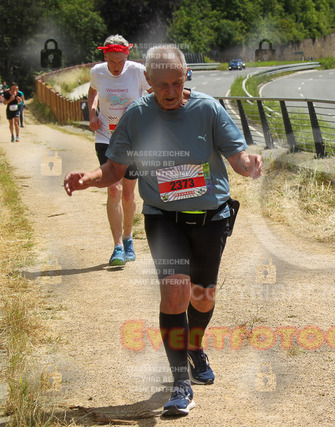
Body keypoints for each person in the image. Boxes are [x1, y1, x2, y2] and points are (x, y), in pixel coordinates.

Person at [64, 46, 262, 416]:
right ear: (148, 82)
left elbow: (237, 157)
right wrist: (88, 178)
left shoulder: (208, 109)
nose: (170, 92)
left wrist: (249, 163)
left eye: (177, 83)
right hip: (163, 217)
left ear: (186, 77)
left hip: (211, 218)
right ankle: (180, 384)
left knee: (202, 297)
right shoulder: (137, 115)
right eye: (162, 85)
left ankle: (194, 345)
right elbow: (113, 169)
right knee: (174, 294)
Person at [88, 34, 151, 266]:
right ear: (105, 56)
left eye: (120, 61)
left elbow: (155, 94)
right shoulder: (97, 72)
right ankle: (117, 247)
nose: (116, 67)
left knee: (128, 193)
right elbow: (93, 92)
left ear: (127, 56)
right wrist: (92, 113)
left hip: (132, 139)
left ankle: (128, 238)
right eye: (112, 61)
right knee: (113, 189)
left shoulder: (138, 71)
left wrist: (142, 113)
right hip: (106, 137)